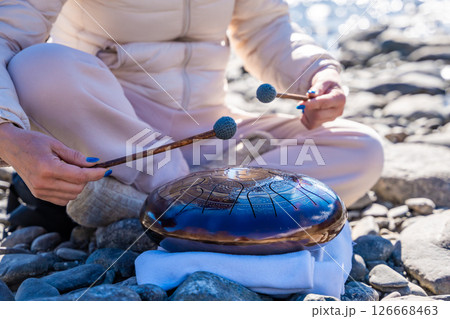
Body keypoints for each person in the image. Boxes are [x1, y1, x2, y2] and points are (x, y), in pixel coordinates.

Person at [0, 0, 383, 228]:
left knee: (360, 149)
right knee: (37, 66)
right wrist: (8, 136)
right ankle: (216, 211)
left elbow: (266, 29)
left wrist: (317, 73)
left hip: (211, 131)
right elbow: (5, 34)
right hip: (117, 132)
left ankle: (158, 207)